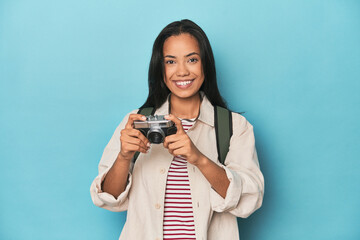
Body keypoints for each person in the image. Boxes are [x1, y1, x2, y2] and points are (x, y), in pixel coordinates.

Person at [90, 19, 264, 240]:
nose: (182, 72)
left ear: (205, 64)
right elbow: (108, 198)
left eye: (192, 59)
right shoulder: (136, 121)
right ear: (160, 68)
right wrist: (124, 157)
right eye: (171, 61)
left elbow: (249, 200)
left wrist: (198, 158)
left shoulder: (234, 127)